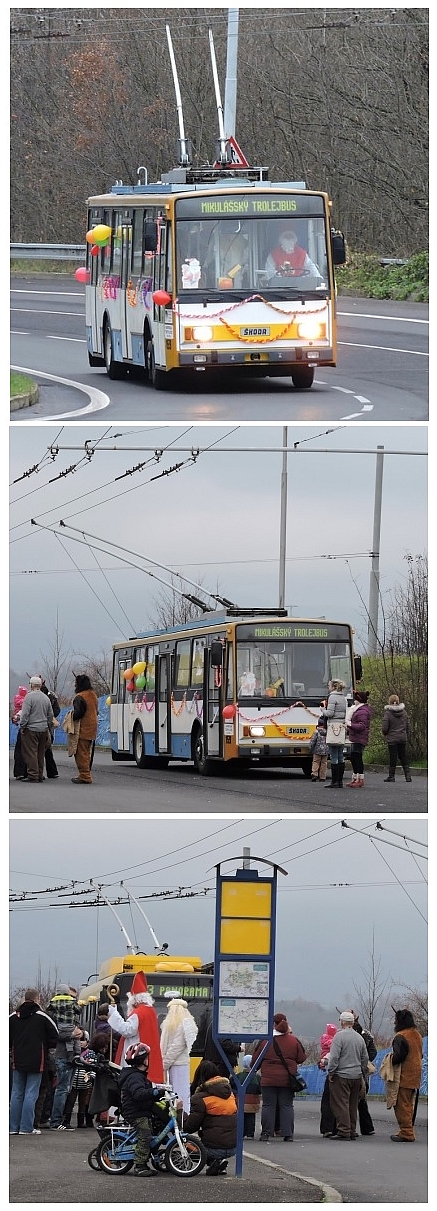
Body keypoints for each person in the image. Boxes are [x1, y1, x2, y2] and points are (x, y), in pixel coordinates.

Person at [9, 988, 59, 1135]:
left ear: (25, 999)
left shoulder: (12, 1017)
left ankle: (13, 1127)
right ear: (37, 999)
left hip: (17, 1059)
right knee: (31, 1093)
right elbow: (55, 1035)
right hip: (38, 1059)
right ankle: (26, 1127)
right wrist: (47, 1046)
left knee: (16, 1092)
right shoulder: (42, 1016)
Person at [250, 1012, 306, 1142]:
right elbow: (301, 1058)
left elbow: (255, 1063)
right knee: (287, 1106)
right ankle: (288, 1134)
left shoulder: (265, 1041)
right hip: (287, 1080)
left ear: (273, 1025)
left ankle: (266, 1133)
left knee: (268, 1106)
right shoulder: (293, 1041)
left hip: (268, 1080)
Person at [184, 1059, 237, 1176]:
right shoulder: (230, 1094)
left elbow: (189, 1127)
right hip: (234, 1146)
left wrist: (179, 1112)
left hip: (214, 1148)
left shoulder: (200, 1098)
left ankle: (214, 1159)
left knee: (186, 1146)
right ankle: (217, 1162)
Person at [109, 971, 164, 1083]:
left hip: (136, 1054)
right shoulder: (150, 1011)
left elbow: (127, 1030)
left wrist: (113, 1013)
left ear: (134, 999)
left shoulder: (139, 1012)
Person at [118, 1042, 162, 1176]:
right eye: (147, 1058)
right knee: (145, 1134)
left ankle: (149, 1158)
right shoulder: (135, 1077)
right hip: (135, 1112)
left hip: (141, 1110)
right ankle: (140, 1165)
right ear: (143, 1060)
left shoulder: (138, 1075)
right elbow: (138, 1094)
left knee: (152, 1130)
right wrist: (153, 1093)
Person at [46, 983, 84, 1130]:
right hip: (62, 1056)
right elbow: (56, 1036)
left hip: (67, 1054)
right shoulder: (56, 1016)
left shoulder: (54, 1011)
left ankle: (59, 1120)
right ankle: (56, 1121)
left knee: (65, 1088)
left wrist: (78, 1033)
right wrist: (73, 1035)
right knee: (62, 1089)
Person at [327, 1010, 369, 1140]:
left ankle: (343, 1131)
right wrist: (362, 1072)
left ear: (342, 1022)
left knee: (341, 1103)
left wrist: (331, 1071)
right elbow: (365, 1058)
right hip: (356, 1076)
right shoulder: (359, 1037)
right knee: (352, 1104)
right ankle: (351, 1129)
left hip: (341, 1075)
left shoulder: (339, 1037)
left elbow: (334, 1057)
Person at [159, 991, 198, 1113]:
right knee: (174, 1094)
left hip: (177, 1064)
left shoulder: (181, 1024)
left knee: (180, 1094)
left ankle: (182, 1119)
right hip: (174, 1064)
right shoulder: (177, 1023)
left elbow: (176, 1047)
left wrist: (164, 1064)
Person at [390, 1008, 423, 1142]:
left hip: (404, 1075)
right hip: (416, 1074)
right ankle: (407, 1129)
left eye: (395, 1020)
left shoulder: (401, 1036)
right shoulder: (417, 1034)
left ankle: (406, 1132)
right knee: (409, 1104)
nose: (394, 1022)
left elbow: (399, 1056)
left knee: (401, 1105)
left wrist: (389, 1059)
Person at [18, 675, 53, 783]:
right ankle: (39, 774)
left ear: (32, 685)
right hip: (43, 729)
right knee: (40, 752)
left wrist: (22, 726)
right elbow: (50, 714)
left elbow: (25, 714)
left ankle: (33, 775)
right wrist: (48, 726)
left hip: (31, 729)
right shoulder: (45, 698)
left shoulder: (29, 697)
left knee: (30, 752)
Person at [61, 1031, 94, 1129]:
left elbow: (93, 1067)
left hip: (85, 1083)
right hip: (74, 1082)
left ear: (87, 1041)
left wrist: (89, 1078)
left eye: (83, 1040)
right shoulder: (73, 1053)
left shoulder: (90, 1054)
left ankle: (81, 1121)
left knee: (83, 1102)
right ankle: (66, 1120)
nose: (80, 1043)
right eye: (79, 1040)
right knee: (70, 1101)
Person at [70, 673, 99, 784]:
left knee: (81, 753)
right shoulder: (93, 695)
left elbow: (78, 713)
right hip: (92, 727)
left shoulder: (80, 697)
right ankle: (86, 773)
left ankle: (85, 775)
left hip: (83, 728)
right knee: (87, 752)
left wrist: (71, 715)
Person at [321, 679, 348, 789]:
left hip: (333, 726)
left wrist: (323, 710)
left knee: (333, 755)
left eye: (329, 686)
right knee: (340, 755)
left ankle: (334, 781)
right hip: (341, 726)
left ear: (333, 687)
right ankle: (340, 781)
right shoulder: (343, 698)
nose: (328, 687)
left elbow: (330, 713)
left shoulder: (332, 697)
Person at [382, 694, 412, 783]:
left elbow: (385, 727)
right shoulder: (404, 712)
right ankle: (408, 776)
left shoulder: (388, 713)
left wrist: (385, 733)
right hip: (402, 737)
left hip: (392, 738)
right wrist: (405, 733)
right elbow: (408, 726)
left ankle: (391, 776)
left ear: (390, 702)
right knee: (403, 756)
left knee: (393, 757)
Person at [346, 691, 372, 787]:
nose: (354, 701)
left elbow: (362, 726)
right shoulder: (357, 710)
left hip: (360, 738)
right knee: (353, 757)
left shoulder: (363, 712)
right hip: (355, 737)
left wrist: (350, 725)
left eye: (356, 699)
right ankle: (355, 777)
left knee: (357, 758)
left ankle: (360, 779)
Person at [235, 1053, 261, 1138]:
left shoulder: (239, 1076)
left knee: (240, 1117)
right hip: (253, 1101)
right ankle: (250, 1133)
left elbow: (233, 1085)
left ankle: (241, 1132)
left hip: (240, 1100)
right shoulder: (257, 1077)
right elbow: (260, 1089)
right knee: (251, 1118)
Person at [318, 1023, 338, 1136]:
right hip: (343, 1073)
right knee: (340, 1102)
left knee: (327, 1101)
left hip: (330, 1071)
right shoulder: (336, 1041)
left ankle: (327, 1127)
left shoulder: (324, 1039)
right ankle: (340, 1127)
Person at [40, 677, 61, 778]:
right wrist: (52, 718)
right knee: (48, 749)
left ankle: (37, 772)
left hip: (38, 725)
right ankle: (52, 772)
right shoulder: (52, 695)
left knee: (37, 751)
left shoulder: (33, 695)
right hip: (49, 726)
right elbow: (57, 710)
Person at [12, 686, 28, 778]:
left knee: (19, 750)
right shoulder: (25, 701)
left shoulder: (17, 699)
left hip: (20, 725)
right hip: (28, 726)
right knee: (28, 750)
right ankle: (27, 771)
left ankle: (19, 772)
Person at [309, 716, 329, 782]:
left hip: (317, 750)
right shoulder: (327, 732)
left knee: (316, 762)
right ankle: (322, 777)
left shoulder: (316, 732)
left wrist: (310, 748)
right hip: (326, 750)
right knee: (324, 763)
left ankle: (314, 774)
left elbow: (313, 741)